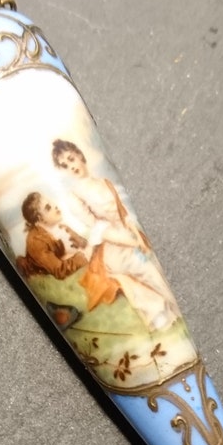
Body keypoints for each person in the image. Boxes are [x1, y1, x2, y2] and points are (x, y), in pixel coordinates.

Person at [51, 139, 180, 329]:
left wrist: (138, 237)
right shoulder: (75, 196)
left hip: (128, 235)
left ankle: (176, 313)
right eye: (65, 165)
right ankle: (164, 315)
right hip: (113, 247)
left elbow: (124, 215)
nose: (71, 166)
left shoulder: (104, 182)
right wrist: (131, 242)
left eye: (71, 159)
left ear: (79, 155)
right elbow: (98, 228)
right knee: (146, 268)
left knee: (153, 263)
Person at [16, 192, 88, 280]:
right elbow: (59, 271)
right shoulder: (36, 242)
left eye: (52, 202)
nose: (55, 206)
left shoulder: (59, 227)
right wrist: (81, 258)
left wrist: (80, 243)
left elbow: (83, 244)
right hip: (38, 274)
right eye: (48, 208)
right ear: (39, 219)